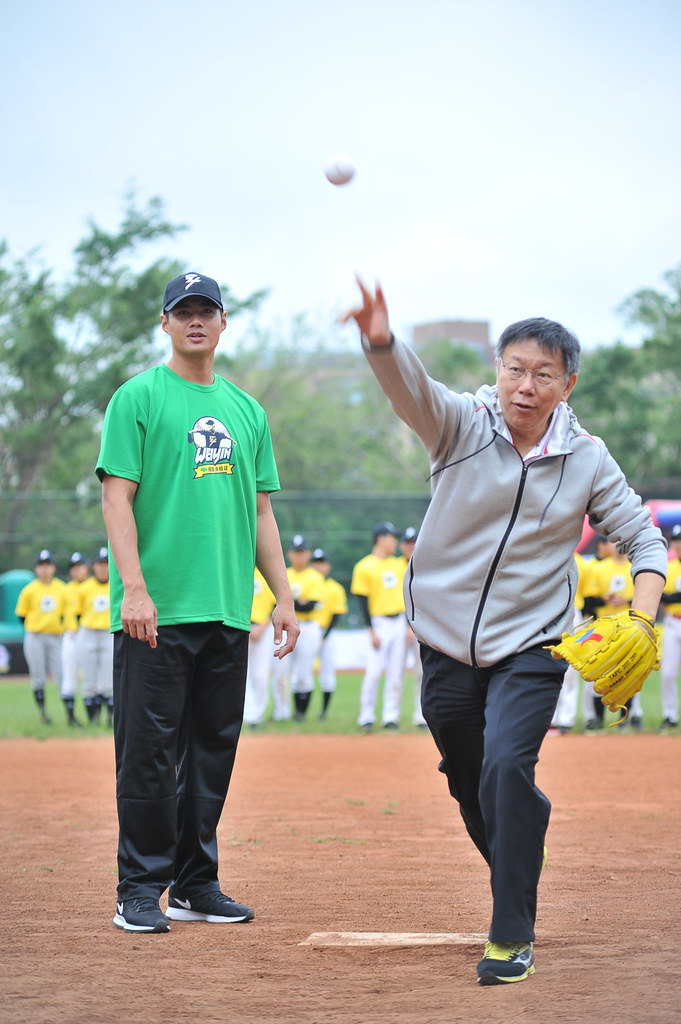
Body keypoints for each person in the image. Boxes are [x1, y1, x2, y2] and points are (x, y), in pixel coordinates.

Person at [343, 277, 666, 985]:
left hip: (534, 643)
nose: (524, 385)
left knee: (503, 768)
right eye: (513, 368)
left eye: (542, 374)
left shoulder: (585, 458)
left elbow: (645, 543)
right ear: (497, 370)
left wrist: (642, 616)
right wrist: (379, 341)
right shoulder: (460, 426)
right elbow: (411, 392)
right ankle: (520, 840)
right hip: (445, 644)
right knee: (469, 782)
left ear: (566, 382)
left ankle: (509, 933)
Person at [97, 271, 298, 934]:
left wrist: (283, 594)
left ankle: (194, 883)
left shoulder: (246, 411)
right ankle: (139, 888)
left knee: (212, 750)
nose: (194, 320)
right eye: (182, 311)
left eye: (205, 310)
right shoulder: (138, 398)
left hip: (224, 611)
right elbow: (115, 497)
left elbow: (261, 511)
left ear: (221, 322)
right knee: (148, 754)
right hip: (154, 612)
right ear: (164, 323)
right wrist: (133, 587)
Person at [351, 522, 407, 730]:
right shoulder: (364, 566)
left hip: (399, 620)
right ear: (381, 539)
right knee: (374, 672)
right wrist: (371, 630)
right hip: (379, 622)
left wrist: (409, 625)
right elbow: (362, 602)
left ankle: (390, 716)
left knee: (396, 672)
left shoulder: (400, 564)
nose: (395, 542)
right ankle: (366, 716)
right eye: (392, 538)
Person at [582, 541, 643, 729]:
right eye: (612, 542)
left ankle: (623, 719)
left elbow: (643, 598)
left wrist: (626, 600)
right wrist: (605, 600)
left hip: (628, 626)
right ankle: (598, 719)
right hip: (604, 627)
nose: (617, 546)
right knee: (598, 672)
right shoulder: (599, 568)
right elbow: (589, 601)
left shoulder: (635, 568)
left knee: (627, 671)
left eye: (620, 542)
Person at [271, 535, 325, 721]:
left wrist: (288, 603)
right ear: (289, 554)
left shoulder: (315, 577)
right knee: (280, 672)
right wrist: (297, 602)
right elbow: (274, 604)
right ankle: (281, 713)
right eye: (296, 552)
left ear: (308, 554)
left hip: (308, 626)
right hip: (285, 626)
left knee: (303, 672)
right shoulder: (283, 574)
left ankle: (300, 714)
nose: (299, 556)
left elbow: (310, 606)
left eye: (302, 552)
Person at [15, 549, 67, 725]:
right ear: (37, 569)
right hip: (35, 636)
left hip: (56, 636)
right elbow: (21, 616)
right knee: (38, 676)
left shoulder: (62, 588)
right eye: (41, 566)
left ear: (53, 567)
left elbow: (67, 614)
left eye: (48, 565)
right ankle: (43, 714)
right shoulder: (29, 590)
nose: (45, 569)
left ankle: (70, 715)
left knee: (62, 674)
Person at [75, 547, 114, 726]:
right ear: (94, 566)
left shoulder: (116, 584)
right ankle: (92, 720)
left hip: (109, 632)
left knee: (108, 679)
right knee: (89, 679)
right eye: (100, 563)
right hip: (89, 632)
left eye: (106, 563)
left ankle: (110, 719)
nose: (103, 567)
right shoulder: (84, 588)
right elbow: (78, 613)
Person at [310, 548, 348, 720]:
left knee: (327, 673)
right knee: (301, 673)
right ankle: (299, 712)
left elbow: (337, 614)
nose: (319, 567)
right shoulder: (307, 583)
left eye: (322, 563)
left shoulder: (335, 588)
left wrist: (324, 637)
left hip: (327, 632)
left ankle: (323, 712)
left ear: (328, 566)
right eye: (316, 563)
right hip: (307, 630)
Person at [399, 527, 427, 727]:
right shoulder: (392, 566)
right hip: (395, 621)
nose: (411, 546)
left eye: (414, 541)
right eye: (408, 542)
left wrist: (412, 625)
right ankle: (390, 717)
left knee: (421, 671)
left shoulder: (426, 564)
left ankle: (420, 714)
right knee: (395, 672)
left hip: (420, 623)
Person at [243, 567, 277, 728]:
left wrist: (261, 628)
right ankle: (249, 715)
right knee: (244, 674)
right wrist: (247, 626)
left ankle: (258, 713)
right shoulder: (239, 569)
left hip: (264, 628)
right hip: (242, 625)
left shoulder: (266, 573)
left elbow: (273, 606)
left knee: (261, 674)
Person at [61, 552, 90, 726]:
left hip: (89, 636)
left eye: (80, 566)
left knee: (92, 679)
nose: (77, 570)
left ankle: (93, 719)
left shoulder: (94, 586)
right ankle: (71, 719)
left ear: (87, 567)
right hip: (71, 636)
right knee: (70, 677)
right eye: (73, 567)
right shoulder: (65, 589)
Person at [658, 523, 681, 731]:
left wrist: (673, 597)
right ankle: (670, 715)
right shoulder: (668, 566)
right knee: (667, 673)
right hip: (673, 621)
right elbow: (661, 597)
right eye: (677, 541)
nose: (679, 544)